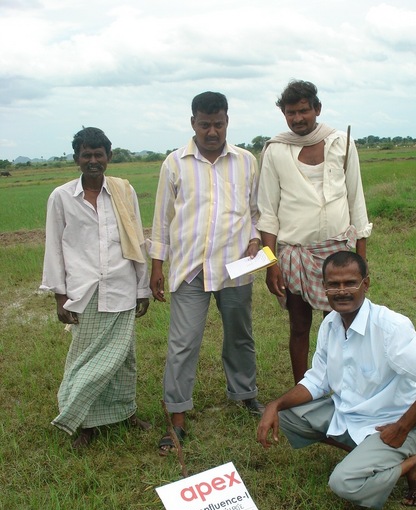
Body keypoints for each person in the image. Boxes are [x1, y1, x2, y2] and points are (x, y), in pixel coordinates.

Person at [257, 251, 416, 510]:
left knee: (344, 483)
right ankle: (365, 455)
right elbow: (318, 380)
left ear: (366, 284)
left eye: (350, 283)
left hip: (394, 423)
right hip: (350, 415)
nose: (342, 291)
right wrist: (275, 404)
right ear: (324, 287)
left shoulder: (390, 328)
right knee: (287, 414)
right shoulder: (330, 324)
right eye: (334, 284)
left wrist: (402, 427)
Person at [148, 91, 264, 455]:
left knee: (240, 337)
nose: (211, 131)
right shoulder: (175, 163)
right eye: (204, 124)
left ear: (227, 120)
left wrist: (256, 239)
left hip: (235, 268)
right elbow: (162, 219)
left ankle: (245, 395)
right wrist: (157, 266)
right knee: (183, 343)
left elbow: (256, 211)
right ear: (192, 123)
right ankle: (177, 416)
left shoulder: (246, 161)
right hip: (190, 269)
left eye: (218, 123)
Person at [41, 127, 151, 449]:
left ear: (109, 157)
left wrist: (142, 289)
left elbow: (136, 238)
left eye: (98, 154)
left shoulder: (123, 192)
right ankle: (84, 422)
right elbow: (54, 248)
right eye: (86, 154)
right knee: (86, 360)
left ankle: (125, 413)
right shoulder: (61, 197)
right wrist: (60, 295)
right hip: (83, 292)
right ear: (76, 158)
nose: (92, 160)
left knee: (124, 359)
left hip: (121, 287)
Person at [257, 80, 373, 383]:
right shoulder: (275, 150)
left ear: (317, 109)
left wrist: (360, 261)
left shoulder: (340, 142)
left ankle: (343, 386)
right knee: (298, 326)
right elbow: (267, 213)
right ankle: (303, 391)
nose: (298, 118)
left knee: (341, 322)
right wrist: (271, 265)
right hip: (294, 253)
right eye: (290, 113)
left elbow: (356, 201)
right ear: (283, 113)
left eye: (304, 111)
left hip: (338, 253)